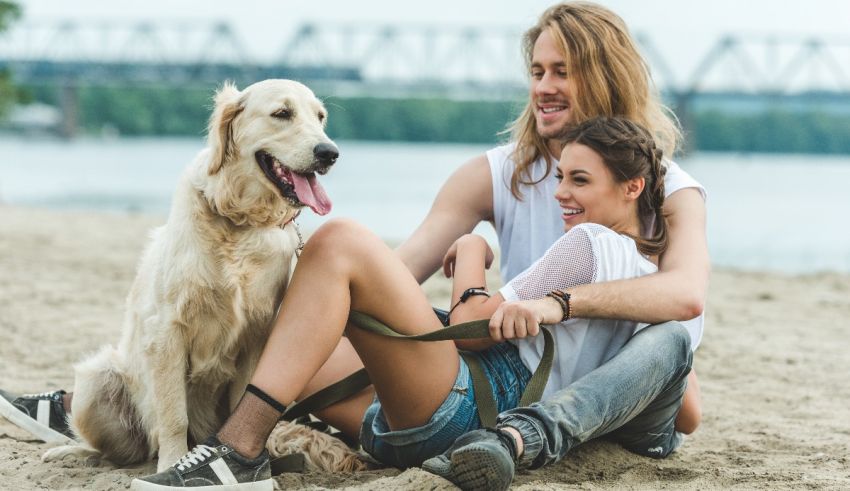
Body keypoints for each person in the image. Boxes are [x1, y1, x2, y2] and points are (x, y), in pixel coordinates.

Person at [1, 0, 707, 485]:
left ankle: (233, 449)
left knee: (334, 243)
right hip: (478, 371)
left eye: (564, 71)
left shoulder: (668, 186)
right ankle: (103, 397)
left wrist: (507, 282)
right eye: (537, 72)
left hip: (504, 383)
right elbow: (394, 276)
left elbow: (684, 306)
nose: (545, 88)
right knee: (307, 308)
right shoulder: (495, 174)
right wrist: (369, 310)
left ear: (606, 75)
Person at [129, 115, 695, 491]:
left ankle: (236, 448)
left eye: (578, 181)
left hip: (461, 408)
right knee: (291, 345)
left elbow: (474, 329)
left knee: (337, 243)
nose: (562, 194)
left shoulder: (585, 244)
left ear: (633, 188)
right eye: (561, 178)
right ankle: (182, 422)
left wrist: (472, 254)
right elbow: (686, 414)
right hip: (423, 425)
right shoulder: (649, 285)